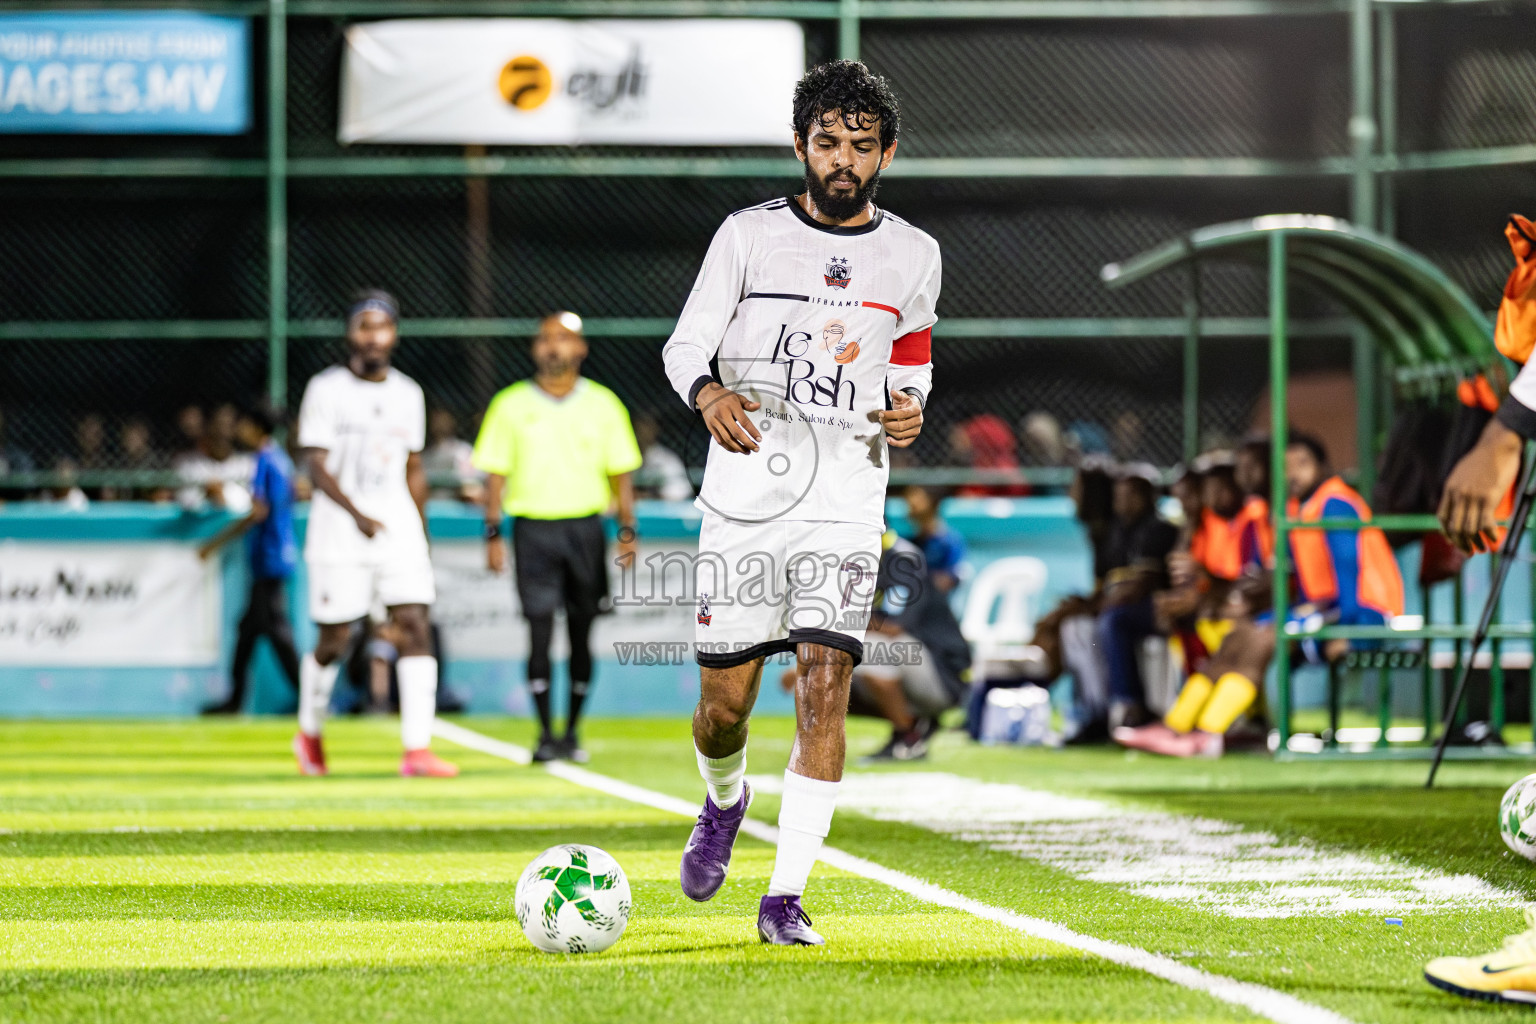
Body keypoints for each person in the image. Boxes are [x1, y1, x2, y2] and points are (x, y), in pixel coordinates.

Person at [660, 60, 938, 946]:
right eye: (828, 142)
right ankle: (724, 800)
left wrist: (910, 408)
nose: (843, 159)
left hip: (848, 501)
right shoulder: (745, 237)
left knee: (826, 686)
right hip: (744, 501)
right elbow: (683, 346)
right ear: (800, 146)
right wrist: (710, 396)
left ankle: (785, 895)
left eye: (861, 145)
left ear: (886, 153)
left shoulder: (916, 255)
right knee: (724, 708)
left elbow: (913, 364)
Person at [292, 288, 457, 779]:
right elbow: (315, 465)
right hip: (339, 531)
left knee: (415, 625)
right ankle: (310, 733)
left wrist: (419, 532)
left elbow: (413, 469)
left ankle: (417, 750)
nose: (373, 336)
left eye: (381, 326)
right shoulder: (326, 389)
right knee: (335, 639)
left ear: (394, 334)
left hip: (397, 529)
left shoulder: (408, 393)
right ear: (351, 335)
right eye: (364, 326)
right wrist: (357, 513)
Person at [473, 311, 642, 764]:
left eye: (564, 339)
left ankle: (573, 731)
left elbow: (621, 473)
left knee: (584, 631)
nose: (554, 347)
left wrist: (627, 531)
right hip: (532, 531)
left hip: (585, 529)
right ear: (535, 348)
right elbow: (494, 476)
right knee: (539, 630)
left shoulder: (604, 404)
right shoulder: (509, 404)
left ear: (581, 348)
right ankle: (546, 733)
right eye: (546, 339)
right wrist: (492, 534)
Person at [196, 405, 301, 714]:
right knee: (249, 630)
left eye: (242, 424)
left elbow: (259, 511)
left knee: (276, 631)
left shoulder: (267, 461)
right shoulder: (278, 460)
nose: (237, 430)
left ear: (255, 427)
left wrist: (215, 543)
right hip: (272, 555)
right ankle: (235, 699)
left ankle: (309, 697)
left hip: (270, 556)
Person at [1096, 463, 1179, 728]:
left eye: (1129, 495)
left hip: (1158, 608)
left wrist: (1103, 603)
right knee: (1082, 626)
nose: (1122, 502)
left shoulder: (1159, 529)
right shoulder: (1116, 531)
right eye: (1119, 495)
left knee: (1113, 621)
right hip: (1127, 607)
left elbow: (1143, 583)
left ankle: (1130, 702)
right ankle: (1095, 707)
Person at [900, 484, 964, 593]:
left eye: (916, 500)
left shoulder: (950, 543)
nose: (911, 504)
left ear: (932, 503)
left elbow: (951, 579)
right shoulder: (907, 544)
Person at [422, 408, 484, 504]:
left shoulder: (462, 450)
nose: (440, 422)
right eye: (436, 417)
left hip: (456, 506)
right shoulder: (426, 453)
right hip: (431, 504)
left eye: (444, 418)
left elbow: (472, 486)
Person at [632, 414, 694, 501]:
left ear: (655, 429)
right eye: (639, 427)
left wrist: (650, 496)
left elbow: (681, 490)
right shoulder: (624, 456)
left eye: (647, 426)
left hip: (663, 510)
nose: (643, 431)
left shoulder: (667, 459)